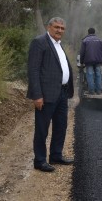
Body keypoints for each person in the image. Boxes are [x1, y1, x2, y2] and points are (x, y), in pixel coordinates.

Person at [27, 17, 74, 172]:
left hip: (62, 93)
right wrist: (37, 95)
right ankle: (39, 160)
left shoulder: (58, 45)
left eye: (62, 28)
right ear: (49, 27)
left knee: (61, 126)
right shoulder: (39, 42)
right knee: (42, 128)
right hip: (46, 95)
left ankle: (56, 155)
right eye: (56, 27)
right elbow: (33, 70)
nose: (59, 30)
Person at [79, 27, 102, 95]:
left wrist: (81, 62)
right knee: (98, 75)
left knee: (90, 75)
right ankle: (99, 91)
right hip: (98, 61)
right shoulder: (100, 40)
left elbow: (82, 52)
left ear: (88, 32)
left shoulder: (85, 40)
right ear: (94, 32)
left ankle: (91, 91)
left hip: (88, 61)